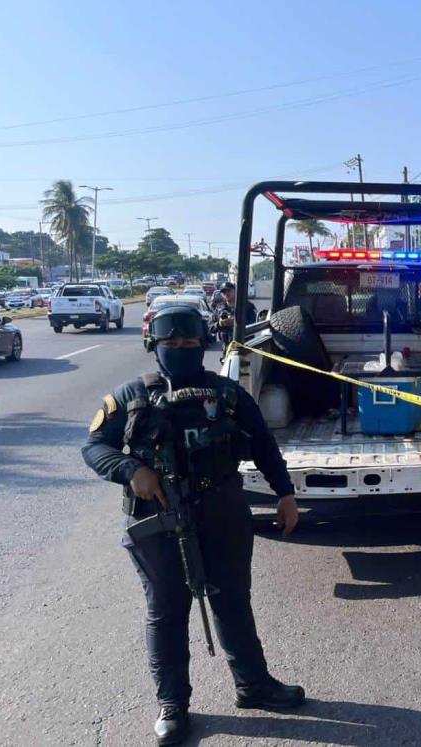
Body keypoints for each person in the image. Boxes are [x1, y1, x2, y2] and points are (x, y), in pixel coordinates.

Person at [82, 306, 304, 745]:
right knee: (166, 612)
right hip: (156, 518)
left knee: (233, 602)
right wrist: (130, 470)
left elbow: (262, 443)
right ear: (154, 346)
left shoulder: (227, 394)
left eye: (189, 344)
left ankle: (254, 686)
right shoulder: (129, 396)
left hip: (222, 512)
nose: (182, 351)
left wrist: (285, 494)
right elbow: (93, 447)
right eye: (171, 345)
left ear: (202, 343)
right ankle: (173, 704)